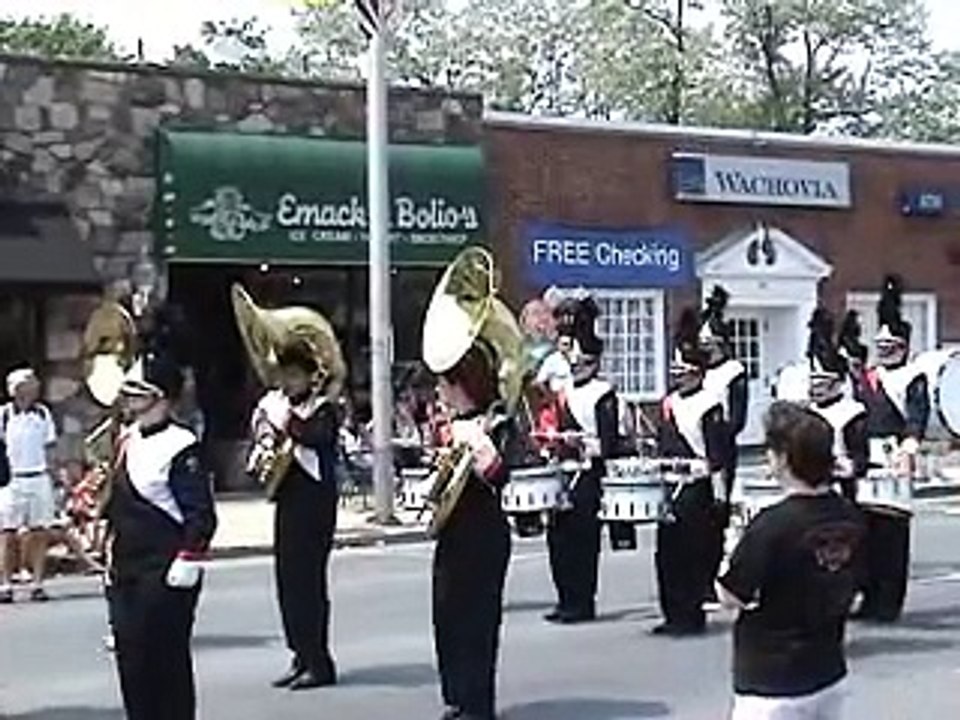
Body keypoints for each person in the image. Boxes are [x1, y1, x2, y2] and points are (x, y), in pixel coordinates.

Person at [718, 402, 865, 720]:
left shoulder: (772, 525)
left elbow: (732, 595)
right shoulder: (850, 515)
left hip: (772, 680)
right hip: (828, 668)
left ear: (784, 458)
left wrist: (732, 548)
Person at [105, 349, 217, 720]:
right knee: (132, 663)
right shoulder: (126, 438)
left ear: (162, 398)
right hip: (127, 568)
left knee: (165, 664)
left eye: (139, 393)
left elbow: (201, 514)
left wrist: (188, 559)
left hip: (165, 567)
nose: (130, 401)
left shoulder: (182, 445)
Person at [425, 341, 514, 720]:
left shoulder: (498, 422)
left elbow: (501, 475)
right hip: (453, 533)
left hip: (485, 533)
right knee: (446, 615)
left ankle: (479, 704)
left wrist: (477, 444)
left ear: (461, 384)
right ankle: (457, 696)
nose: (439, 392)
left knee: (478, 620)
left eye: (444, 383)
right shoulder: (448, 426)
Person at [253, 341, 341, 691]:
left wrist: (282, 419)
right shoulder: (277, 405)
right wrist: (263, 429)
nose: (287, 383)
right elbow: (266, 435)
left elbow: (315, 436)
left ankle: (319, 661)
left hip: (315, 504)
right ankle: (299, 654)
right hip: (288, 501)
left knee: (309, 584)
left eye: (293, 376)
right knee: (287, 582)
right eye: (283, 376)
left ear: (308, 377)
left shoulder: (325, 409)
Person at [854, 275, 929, 623]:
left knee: (892, 533)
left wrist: (910, 444)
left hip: (894, 457)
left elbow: (917, 415)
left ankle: (888, 602)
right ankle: (868, 597)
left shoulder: (912, 376)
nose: (883, 351)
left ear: (902, 346)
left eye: (890, 347)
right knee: (865, 533)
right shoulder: (867, 378)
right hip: (865, 461)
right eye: (880, 346)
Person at [653, 309, 729, 636]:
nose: (678, 377)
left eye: (683, 371)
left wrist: (692, 467)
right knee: (665, 554)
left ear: (698, 373)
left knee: (690, 553)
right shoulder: (669, 403)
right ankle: (671, 613)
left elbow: (717, 457)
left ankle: (690, 615)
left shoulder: (710, 404)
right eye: (675, 371)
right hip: (669, 486)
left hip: (696, 488)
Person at [545, 295, 619, 624]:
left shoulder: (604, 394)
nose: (576, 368)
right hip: (564, 472)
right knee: (557, 539)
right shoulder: (565, 392)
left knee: (583, 541)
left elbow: (609, 442)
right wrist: (553, 443)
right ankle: (565, 599)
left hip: (589, 474)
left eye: (582, 363)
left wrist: (583, 444)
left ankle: (582, 601)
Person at [699, 286, 748, 602]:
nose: (705, 351)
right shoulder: (698, 372)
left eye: (709, 346)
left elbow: (737, 419)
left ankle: (714, 577)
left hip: (720, 451)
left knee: (717, 514)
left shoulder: (733, 372)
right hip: (694, 451)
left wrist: (717, 438)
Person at [0, 367, 59, 603]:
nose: (32, 388)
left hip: (38, 476)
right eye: (27, 384)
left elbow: (50, 447)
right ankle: (5, 583)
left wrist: (55, 475)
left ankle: (37, 582)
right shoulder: (3, 415)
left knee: (39, 530)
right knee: (7, 532)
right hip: (11, 480)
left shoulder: (43, 414)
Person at [805, 309, 869, 503]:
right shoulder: (807, 412)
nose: (816, 389)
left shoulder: (852, 413)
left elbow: (861, 456)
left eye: (822, 384)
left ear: (838, 384)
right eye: (813, 383)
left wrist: (849, 466)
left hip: (842, 489)